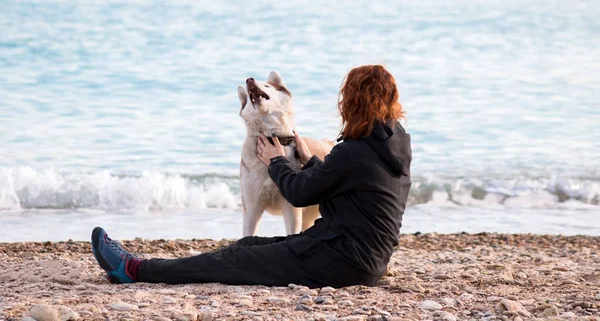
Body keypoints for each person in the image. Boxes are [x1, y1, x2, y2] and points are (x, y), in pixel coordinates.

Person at [91, 64, 412, 288]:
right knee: (251, 246)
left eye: (346, 98)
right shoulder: (392, 144)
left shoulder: (354, 152)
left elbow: (300, 194)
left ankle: (133, 269)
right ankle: (140, 267)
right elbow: (338, 188)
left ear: (355, 102)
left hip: (341, 261)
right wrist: (311, 159)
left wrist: (276, 161)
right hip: (365, 260)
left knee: (234, 258)